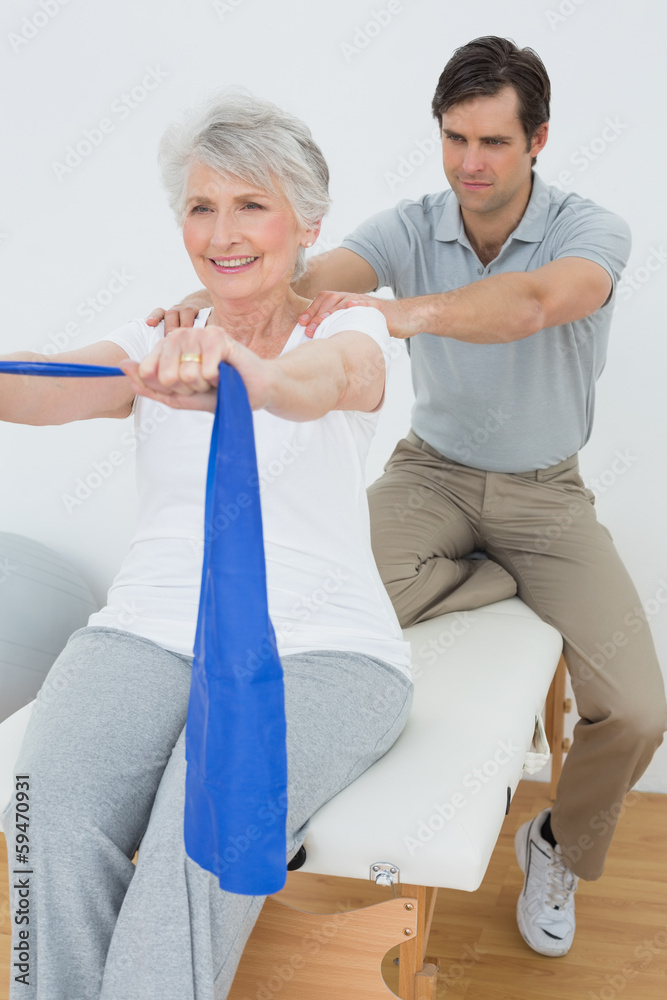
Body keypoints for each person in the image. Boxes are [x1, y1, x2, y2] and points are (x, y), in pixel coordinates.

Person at [155, 38, 667, 959]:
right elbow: (302, 278)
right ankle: (487, 576)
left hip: (547, 497)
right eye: (454, 138)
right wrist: (200, 296)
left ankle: (555, 850)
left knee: (636, 708)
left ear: (538, 140)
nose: (470, 164)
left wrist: (402, 312)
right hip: (429, 476)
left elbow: (535, 303)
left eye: (494, 144)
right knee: (307, 620)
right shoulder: (409, 226)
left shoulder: (592, 230)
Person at [0, 92, 413, 1000]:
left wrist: (251, 376)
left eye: (250, 204)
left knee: (206, 822)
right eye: (200, 206)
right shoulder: (159, 342)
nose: (222, 233)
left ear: (307, 221)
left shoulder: (349, 330)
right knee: (39, 811)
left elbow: (323, 382)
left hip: (319, 649)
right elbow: (39, 390)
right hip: (147, 630)